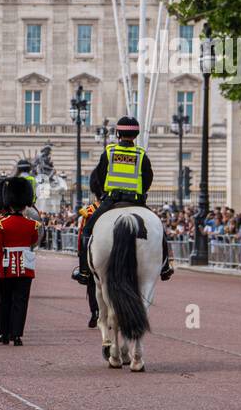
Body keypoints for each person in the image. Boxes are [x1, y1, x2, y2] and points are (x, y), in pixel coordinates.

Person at [73, 115, 174, 285]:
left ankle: (84, 271)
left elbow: (100, 175)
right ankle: (164, 267)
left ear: (118, 134)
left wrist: (107, 190)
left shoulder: (109, 151)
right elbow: (148, 178)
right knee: (160, 232)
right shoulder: (141, 155)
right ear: (136, 135)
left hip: (111, 200)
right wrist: (140, 192)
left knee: (87, 231)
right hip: (136, 201)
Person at [0, 177, 39, 346]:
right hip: (25, 268)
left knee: (4, 300)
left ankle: (4, 334)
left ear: (9, 203)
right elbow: (33, 242)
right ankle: (17, 335)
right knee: (20, 302)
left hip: (4, 268)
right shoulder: (32, 225)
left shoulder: (1, 224)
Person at [77, 167, 105, 329]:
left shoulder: (89, 212)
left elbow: (81, 236)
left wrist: (81, 255)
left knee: (92, 283)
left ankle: (83, 271)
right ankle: (164, 266)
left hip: (94, 253)